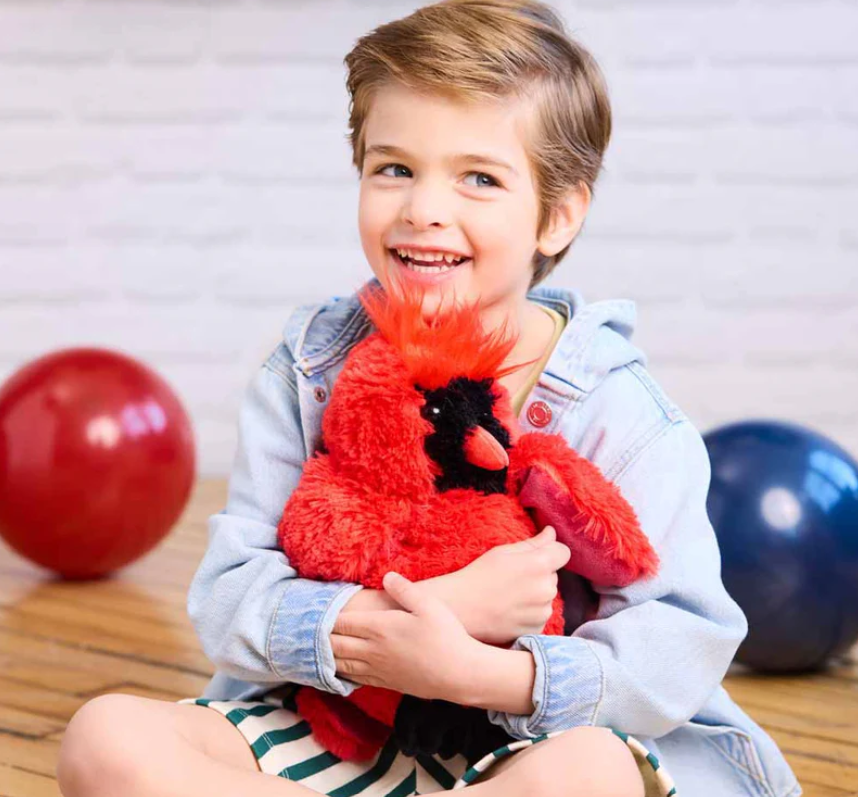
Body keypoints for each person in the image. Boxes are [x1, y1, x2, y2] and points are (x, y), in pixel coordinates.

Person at [56, 1, 802, 795]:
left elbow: (678, 642)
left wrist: (478, 671)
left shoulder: (626, 417)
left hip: (530, 745)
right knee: (106, 737)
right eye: (394, 168)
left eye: (479, 178)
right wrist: (415, 614)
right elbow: (230, 590)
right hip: (337, 725)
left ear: (557, 215)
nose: (422, 209)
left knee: (587, 774)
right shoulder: (310, 369)